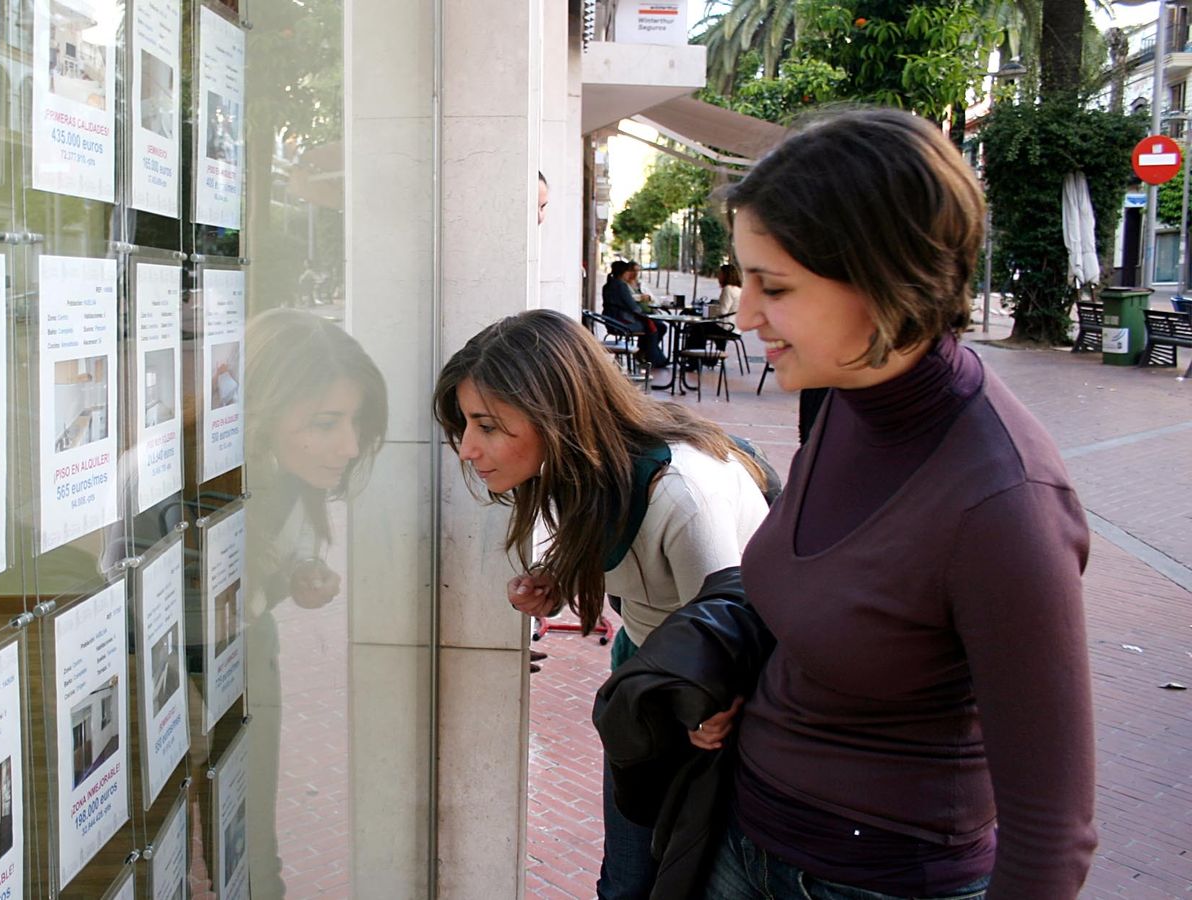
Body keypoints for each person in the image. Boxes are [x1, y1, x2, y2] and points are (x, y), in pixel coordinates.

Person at [697, 107, 1096, 899]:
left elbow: (1053, 835)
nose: (743, 315)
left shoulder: (1003, 500)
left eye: (773, 286)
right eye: (744, 278)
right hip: (748, 840)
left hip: (879, 879)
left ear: (886, 280)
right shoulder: (846, 393)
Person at [432, 309, 768, 900]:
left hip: (716, 697)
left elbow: (734, 624)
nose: (467, 449)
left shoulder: (682, 492)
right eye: (465, 425)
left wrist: (718, 707)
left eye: (487, 425)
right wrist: (558, 576)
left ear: (556, 415)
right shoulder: (579, 469)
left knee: (684, 873)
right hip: (651, 672)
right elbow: (616, 544)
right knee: (627, 876)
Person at [244, 308, 388, 898]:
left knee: (252, 837)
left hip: (249, 658)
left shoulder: (291, 481)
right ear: (263, 411)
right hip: (172, 679)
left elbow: (280, 562)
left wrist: (301, 573)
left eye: (354, 423)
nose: (350, 446)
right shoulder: (174, 492)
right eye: (327, 423)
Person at [602, 261, 669, 369]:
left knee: (657, 325)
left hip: (611, 321)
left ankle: (646, 354)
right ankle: (652, 359)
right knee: (653, 327)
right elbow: (633, 307)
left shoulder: (608, 285)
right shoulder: (621, 286)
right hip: (622, 323)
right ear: (624, 272)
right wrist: (644, 312)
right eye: (629, 271)